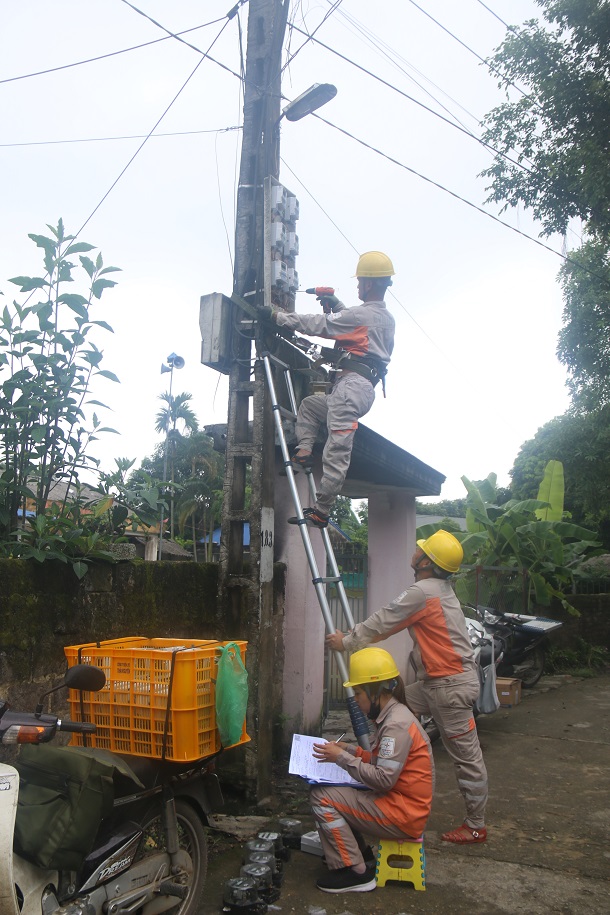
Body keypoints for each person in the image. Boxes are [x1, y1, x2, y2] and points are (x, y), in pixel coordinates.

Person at [326, 530, 489, 844]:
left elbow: (384, 621)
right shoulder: (438, 589)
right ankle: (378, 769)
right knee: (386, 705)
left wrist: (345, 641)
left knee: (467, 758)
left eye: (421, 550)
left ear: (427, 562)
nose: (415, 551)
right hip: (436, 684)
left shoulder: (423, 591)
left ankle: (475, 826)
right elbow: (387, 626)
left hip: (450, 688)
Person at [260, 251, 395, 529]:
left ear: (369, 284)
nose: (358, 286)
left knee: (337, 450)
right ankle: (305, 450)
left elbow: (320, 325)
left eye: (360, 281)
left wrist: (278, 317)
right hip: (356, 388)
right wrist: (338, 305)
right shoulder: (385, 318)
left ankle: (322, 511)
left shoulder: (360, 316)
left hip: (351, 388)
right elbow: (355, 327)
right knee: (310, 406)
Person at [310, 646, 434, 894]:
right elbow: (382, 761)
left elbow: (383, 779)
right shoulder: (394, 716)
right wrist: (352, 751)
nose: (356, 700)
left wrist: (342, 758)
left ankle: (355, 871)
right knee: (336, 790)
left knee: (321, 796)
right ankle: (362, 854)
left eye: (358, 693)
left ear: (374, 691)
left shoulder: (396, 725)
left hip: (403, 813)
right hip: (401, 804)